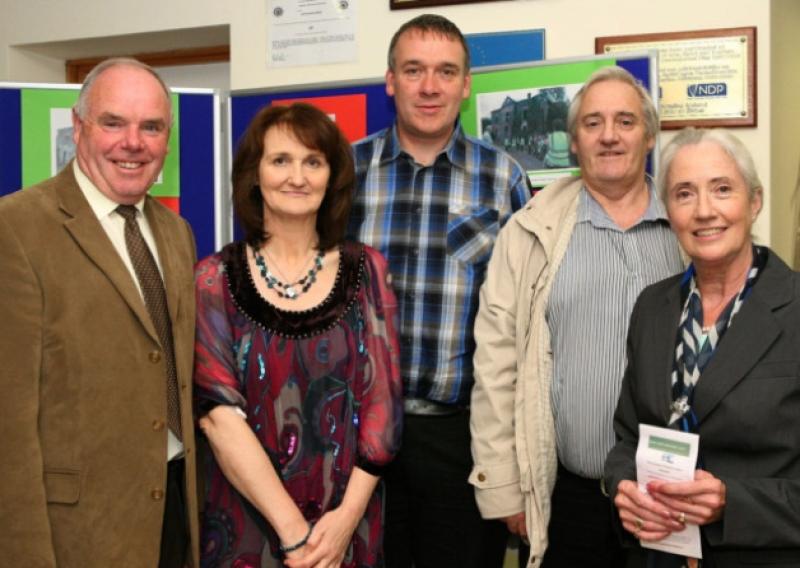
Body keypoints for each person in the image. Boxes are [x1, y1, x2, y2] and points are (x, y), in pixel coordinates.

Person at [469, 65, 684, 568]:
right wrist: (504, 486)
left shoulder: (689, 228)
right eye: (593, 123)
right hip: (570, 498)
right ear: (573, 139)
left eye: (625, 121)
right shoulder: (529, 233)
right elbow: (496, 365)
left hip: (672, 498)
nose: (609, 135)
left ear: (649, 136)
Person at [347, 13, 532, 568]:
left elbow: (529, 315)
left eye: (446, 71)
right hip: (357, 434)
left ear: (466, 84)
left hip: (461, 438)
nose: (430, 86)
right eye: (414, 70)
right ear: (390, 80)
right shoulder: (344, 171)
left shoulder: (504, 179)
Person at [0, 58, 199, 567]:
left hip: (173, 510)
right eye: (113, 122)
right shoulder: (17, 229)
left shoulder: (176, 233)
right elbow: (9, 425)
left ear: (167, 140)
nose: (133, 143)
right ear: (79, 125)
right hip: (77, 532)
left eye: (151, 127)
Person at [194, 102, 402, 568]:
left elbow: (383, 412)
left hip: (345, 526)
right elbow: (218, 417)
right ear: (254, 173)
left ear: (332, 178)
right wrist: (294, 537)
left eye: (313, 162)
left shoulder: (367, 270)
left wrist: (344, 522)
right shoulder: (213, 280)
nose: (298, 177)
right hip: (248, 524)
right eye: (281, 160)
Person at [605, 128, 800, 567]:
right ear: (668, 211)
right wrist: (624, 488)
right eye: (684, 194)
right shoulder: (652, 307)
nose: (704, 211)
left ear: (754, 202)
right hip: (656, 552)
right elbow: (627, 437)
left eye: (722, 189)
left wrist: (733, 503)